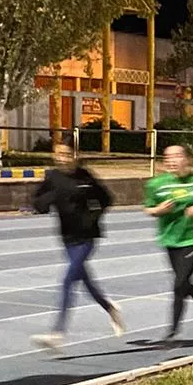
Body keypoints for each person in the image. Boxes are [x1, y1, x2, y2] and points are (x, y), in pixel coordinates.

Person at [31, 140, 125, 351]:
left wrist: (93, 217)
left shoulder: (86, 176)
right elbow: (37, 203)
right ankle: (110, 308)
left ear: (75, 155)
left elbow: (107, 199)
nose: (62, 158)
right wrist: (47, 200)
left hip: (88, 237)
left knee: (68, 280)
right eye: (59, 154)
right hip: (67, 237)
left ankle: (57, 333)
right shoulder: (52, 177)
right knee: (85, 280)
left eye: (67, 154)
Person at [142, 142, 193, 339]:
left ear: (188, 159)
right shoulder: (156, 184)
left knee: (179, 284)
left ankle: (173, 330)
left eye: (177, 156)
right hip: (170, 238)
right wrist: (158, 210)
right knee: (183, 282)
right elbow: (148, 208)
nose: (171, 161)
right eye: (167, 157)